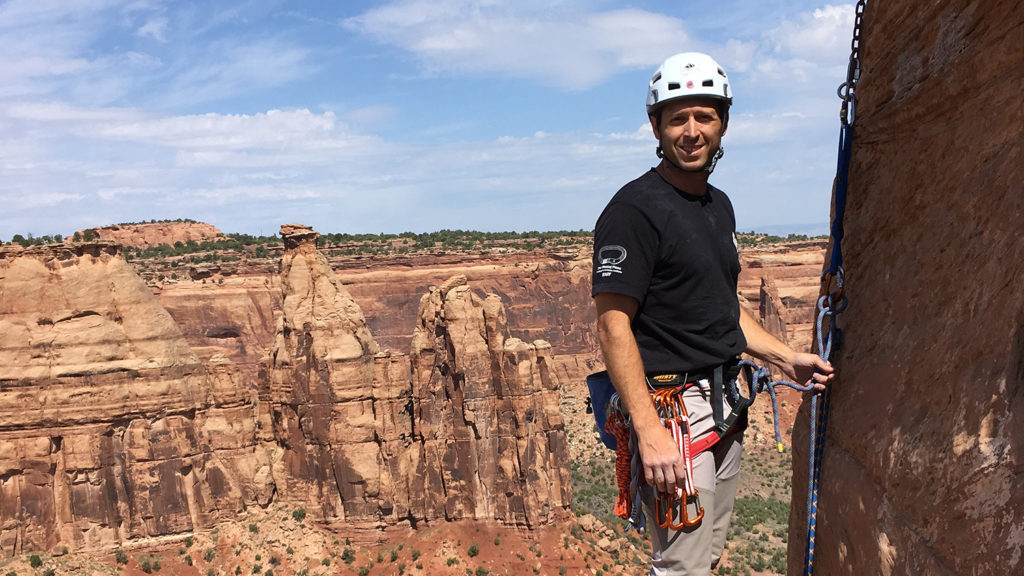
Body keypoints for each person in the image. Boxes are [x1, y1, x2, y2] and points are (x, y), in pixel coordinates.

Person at [591, 52, 834, 575]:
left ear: (723, 124)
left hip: (727, 405)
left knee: (710, 557)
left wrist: (785, 358)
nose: (692, 131)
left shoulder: (717, 205)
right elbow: (613, 326)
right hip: (675, 416)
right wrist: (648, 429)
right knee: (680, 567)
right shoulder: (632, 211)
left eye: (705, 116)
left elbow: (723, 309)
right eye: (678, 118)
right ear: (656, 126)